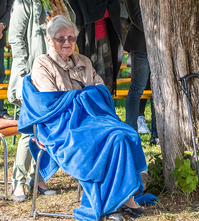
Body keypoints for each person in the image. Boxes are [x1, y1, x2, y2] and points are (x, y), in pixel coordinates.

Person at [18, 15, 148, 221]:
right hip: (61, 126)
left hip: (92, 120)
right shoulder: (42, 64)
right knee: (107, 141)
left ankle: (123, 197)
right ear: (49, 40)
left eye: (71, 38)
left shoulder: (84, 61)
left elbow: (102, 91)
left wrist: (82, 96)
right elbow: (51, 103)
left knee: (123, 134)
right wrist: (85, 95)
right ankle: (112, 203)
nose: (67, 43)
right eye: (60, 39)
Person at [7, 0, 76, 201]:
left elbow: (72, 28)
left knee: (50, 127)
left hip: (60, 74)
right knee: (30, 129)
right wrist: (27, 75)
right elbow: (16, 39)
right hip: (35, 75)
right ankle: (17, 182)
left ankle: (38, 178)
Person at [61, 0, 122, 94]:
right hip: (82, 42)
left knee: (105, 81)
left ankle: (103, 108)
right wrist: (98, 12)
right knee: (83, 82)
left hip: (104, 40)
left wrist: (95, 12)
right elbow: (70, 15)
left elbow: (115, 6)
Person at [122, 0, 158, 144]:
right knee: (137, 88)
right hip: (141, 43)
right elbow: (136, 15)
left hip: (160, 44)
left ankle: (157, 134)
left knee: (159, 90)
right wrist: (156, 32)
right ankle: (131, 133)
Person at [0, 0, 13, 120]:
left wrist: (2, 25)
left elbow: (10, 4)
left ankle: (0, 111)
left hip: (0, 35)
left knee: (0, 73)